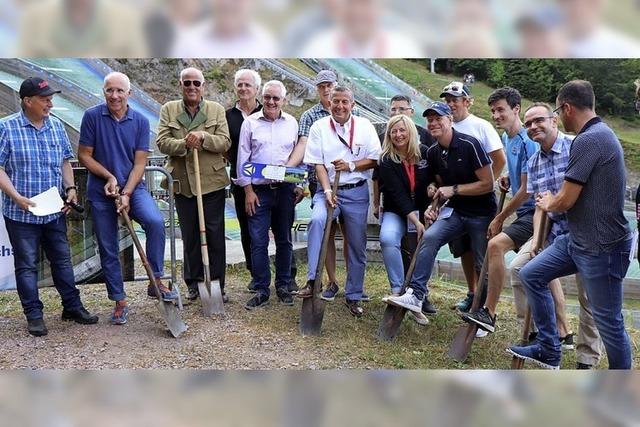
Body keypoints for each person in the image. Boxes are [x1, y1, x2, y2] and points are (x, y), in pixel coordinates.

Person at [508, 80, 633, 369]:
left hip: (602, 248)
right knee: (531, 274)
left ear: (565, 109)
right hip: (576, 241)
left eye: (556, 112)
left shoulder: (589, 140)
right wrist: (539, 239)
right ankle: (549, 349)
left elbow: (564, 200)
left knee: (609, 321)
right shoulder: (596, 136)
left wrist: (549, 200)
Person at [463, 88, 575, 347]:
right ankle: (563, 330)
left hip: (533, 212)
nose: (496, 115)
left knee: (496, 246)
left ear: (516, 109)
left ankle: (489, 312)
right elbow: (518, 179)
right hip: (530, 212)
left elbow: (527, 191)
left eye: (501, 109)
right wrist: (506, 180)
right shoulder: (508, 137)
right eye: (492, 110)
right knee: (546, 270)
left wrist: (500, 216)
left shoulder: (528, 140)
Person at [0, 77, 98, 336]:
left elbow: (66, 162)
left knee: (62, 262)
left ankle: (72, 307)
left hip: (54, 210)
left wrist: (71, 190)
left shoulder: (56, 126)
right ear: (27, 101)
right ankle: (34, 315)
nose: (50, 104)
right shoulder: (6, 128)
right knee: (26, 264)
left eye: (50, 99)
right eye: (45, 99)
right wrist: (16, 197)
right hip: (21, 212)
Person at [78, 71, 177, 326]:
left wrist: (127, 193)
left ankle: (155, 281)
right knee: (108, 246)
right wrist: (109, 178)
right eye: (110, 90)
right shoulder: (91, 117)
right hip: (101, 192)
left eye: (120, 91)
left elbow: (140, 163)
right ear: (104, 93)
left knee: (155, 223)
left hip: (134, 187)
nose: (114, 95)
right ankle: (119, 300)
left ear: (129, 94)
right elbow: (85, 156)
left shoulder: (141, 121)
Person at [514, 102, 603, 369]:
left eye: (538, 120)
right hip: (556, 233)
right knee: (521, 268)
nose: (533, 127)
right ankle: (543, 338)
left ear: (554, 120)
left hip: (586, 234)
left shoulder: (577, 147)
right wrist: (538, 243)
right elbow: (542, 206)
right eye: (528, 123)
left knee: (589, 298)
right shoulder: (534, 161)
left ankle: (586, 359)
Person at [386, 101, 496, 315]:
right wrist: (434, 204)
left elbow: (487, 183)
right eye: (430, 120)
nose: (434, 123)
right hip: (456, 211)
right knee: (430, 238)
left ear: (450, 120)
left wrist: (454, 190)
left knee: (481, 262)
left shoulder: (469, 144)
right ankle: (417, 295)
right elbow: (438, 186)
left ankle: (481, 310)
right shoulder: (434, 152)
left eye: (438, 119)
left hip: (481, 213)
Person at [297, 86, 380, 317]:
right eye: (336, 102)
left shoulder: (364, 126)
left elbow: (374, 158)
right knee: (317, 222)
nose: (340, 106)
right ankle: (314, 280)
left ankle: (353, 295)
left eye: (345, 102)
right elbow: (317, 163)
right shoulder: (319, 127)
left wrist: (351, 165)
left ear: (353, 105)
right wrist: (325, 190)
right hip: (327, 190)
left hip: (356, 191)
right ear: (329, 103)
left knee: (356, 243)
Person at [287, 70, 365, 302]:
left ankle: (354, 283)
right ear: (318, 90)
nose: (326, 89)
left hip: (349, 182)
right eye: (321, 86)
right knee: (326, 231)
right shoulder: (310, 116)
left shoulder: (356, 113)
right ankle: (329, 281)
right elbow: (303, 145)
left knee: (352, 235)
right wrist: (288, 170)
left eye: (329, 84)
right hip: (321, 180)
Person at [156, 67, 231, 303]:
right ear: (181, 85)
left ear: (203, 86)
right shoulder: (169, 109)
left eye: (196, 83)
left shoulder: (216, 110)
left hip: (211, 182)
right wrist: (185, 143)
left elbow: (224, 142)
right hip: (183, 182)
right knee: (190, 236)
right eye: (187, 83)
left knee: (215, 234)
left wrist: (204, 138)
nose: (191, 87)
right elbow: (162, 142)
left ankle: (217, 283)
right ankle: (194, 282)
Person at [440, 81, 506, 314]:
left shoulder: (481, 126)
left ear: (467, 102)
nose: (450, 104)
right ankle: (471, 292)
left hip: (480, 201)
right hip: (456, 201)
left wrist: (487, 185)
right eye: (447, 100)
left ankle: (483, 302)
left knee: (481, 251)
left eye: (455, 100)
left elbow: (499, 159)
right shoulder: (444, 126)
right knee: (462, 248)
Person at [236, 80, 300, 310]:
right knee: (258, 241)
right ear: (262, 98)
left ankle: (283, 285)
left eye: (276, 98)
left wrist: (298, 185)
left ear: (284, 100)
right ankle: (262, 288)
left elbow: (298, 157)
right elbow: (242, 159)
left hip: (284, 190)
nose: (271, 102)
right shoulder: (250, 123)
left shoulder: (292, 123)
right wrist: (248, 191)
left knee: (284, 240)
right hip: (259, 191)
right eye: (267, 97)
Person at [377, 114, 430, 325]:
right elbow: (397, 194)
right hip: (397, 211)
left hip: (423, 212)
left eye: (402, 130)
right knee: (388, 238)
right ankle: (398, 291)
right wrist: (415, 222)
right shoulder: (386, 159)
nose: (398, 135)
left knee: (422, 249)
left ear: (411, 131)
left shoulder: (425, 153)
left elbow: (435, 180)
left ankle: (416, 296)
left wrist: (433, 192)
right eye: (394, 131)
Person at [225, 69, 262, 293]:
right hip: (241, 181)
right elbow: (224, 144)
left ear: (256, 89)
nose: (243, 88)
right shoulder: (228, 115)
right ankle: (254, 272)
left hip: (267, 181)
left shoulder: (267, 110)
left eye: (248, 85)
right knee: (247, 228)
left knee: (278, 228)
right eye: (240, 84)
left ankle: (288, 275)